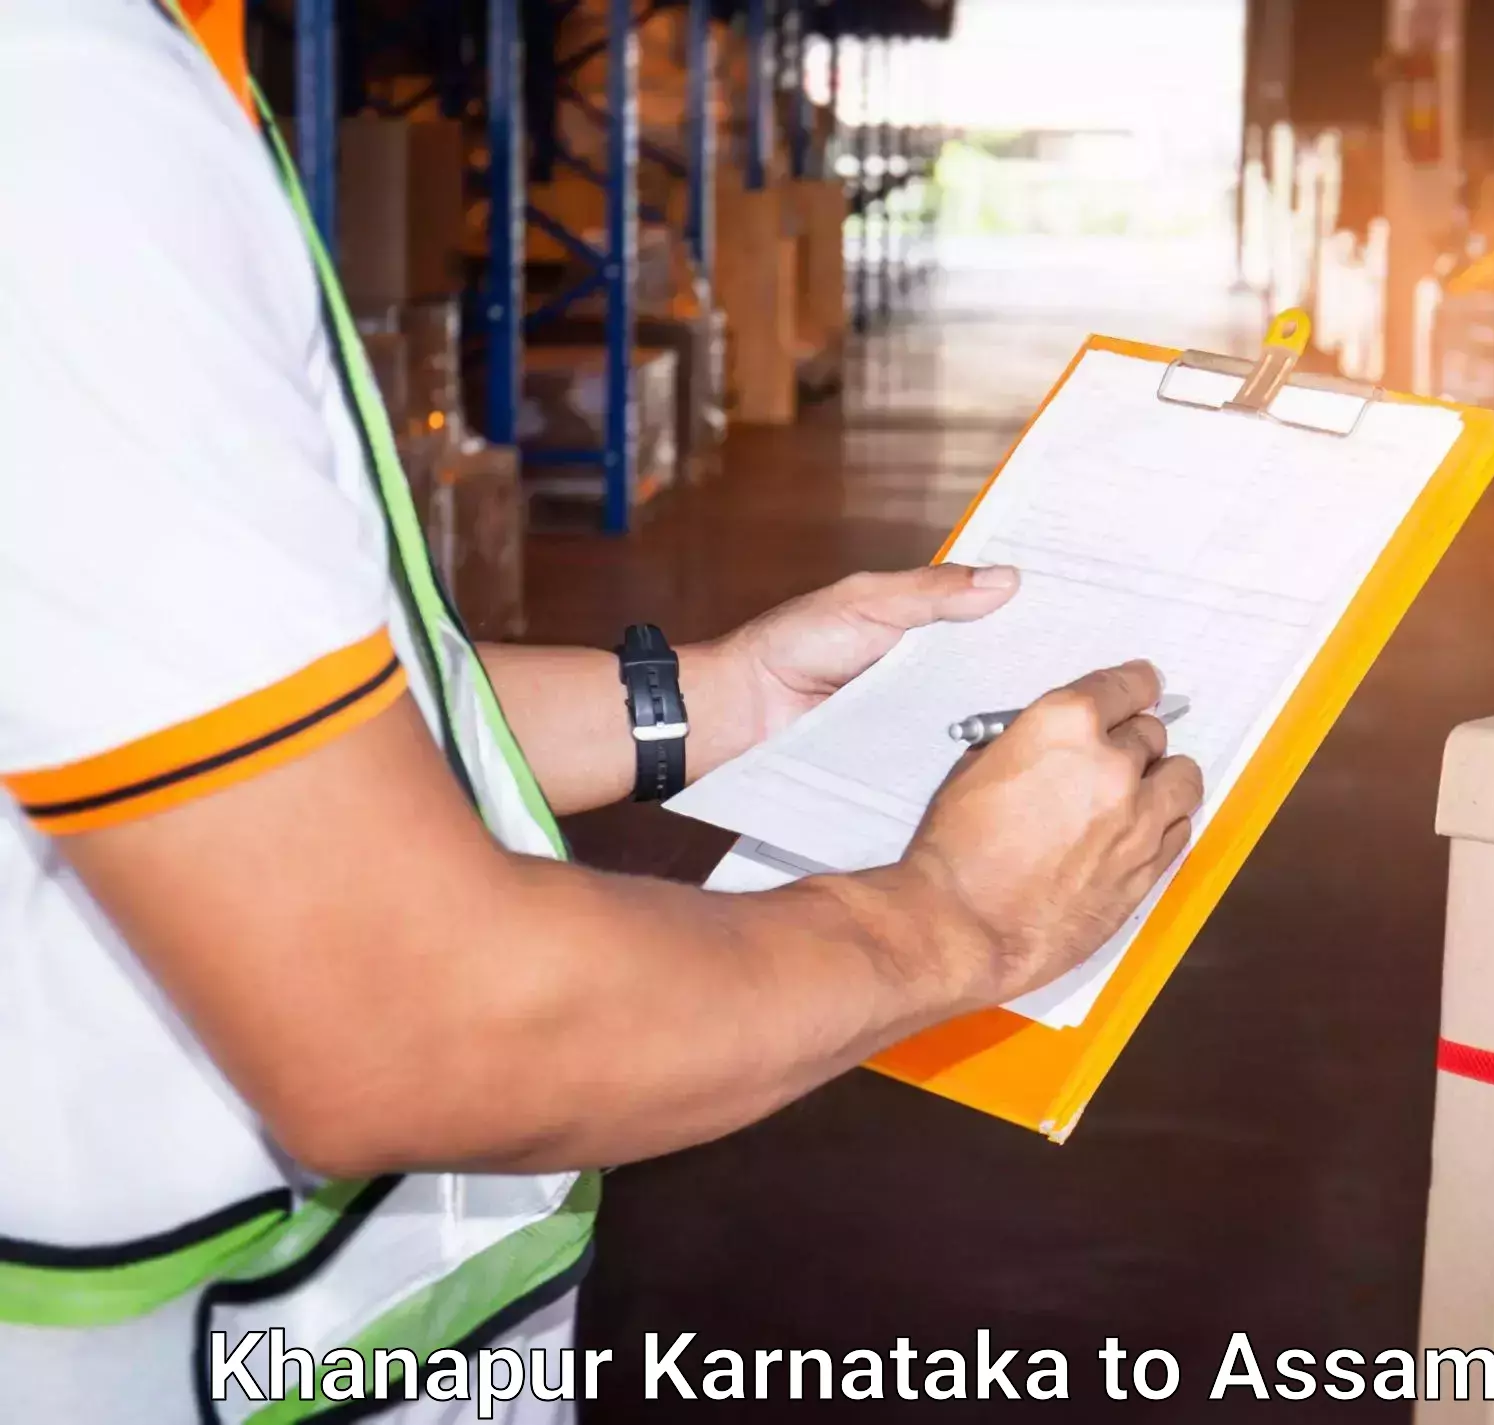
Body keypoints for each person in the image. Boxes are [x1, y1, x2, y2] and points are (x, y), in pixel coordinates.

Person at [0, 1, 1203, 1418]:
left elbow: (199, 717)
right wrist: (954, 920)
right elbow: (412, 1024)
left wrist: (728, 697)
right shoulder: (62, 111)